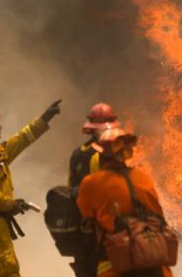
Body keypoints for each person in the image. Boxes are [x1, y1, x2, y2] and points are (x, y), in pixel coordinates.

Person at [0, 100, 62, 277]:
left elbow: (22, 139)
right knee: (7, 271)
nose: (0, 127)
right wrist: (11, 204)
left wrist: (44, 119)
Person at [77, 124, 173, 277]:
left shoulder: (92, 183)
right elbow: (158, 216)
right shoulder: (144, 178)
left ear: (101, 155)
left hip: (115, 267)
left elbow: (83, 218)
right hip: (157, 269)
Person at [67, 103, 120, 277]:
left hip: (80, 232)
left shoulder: (77, 154)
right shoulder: (101, 156)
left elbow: (70, 188)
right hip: (101, 232)